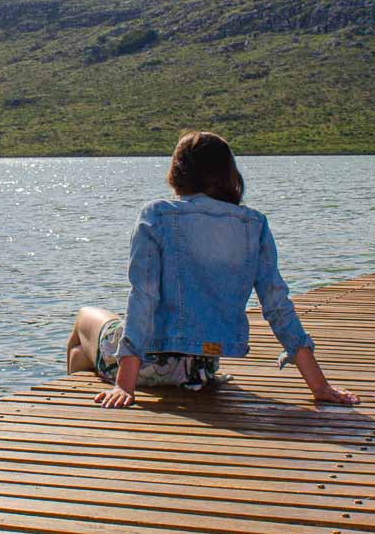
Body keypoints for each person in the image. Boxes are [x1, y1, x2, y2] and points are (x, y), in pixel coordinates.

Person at [65, 131, 359, 409]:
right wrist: (320, 387)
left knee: (83, 321)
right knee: (83, 354)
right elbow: (277, 306)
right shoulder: (253, 224)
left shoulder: (157, 214)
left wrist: (125, 387)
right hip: (200, 370)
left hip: (148, 366)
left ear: (178, 173)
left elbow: (144, 297)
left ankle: (83, 420)